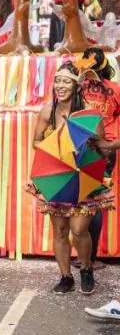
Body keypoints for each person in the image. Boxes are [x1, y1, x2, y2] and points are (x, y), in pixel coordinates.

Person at [27, 62, 113, 295]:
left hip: (83, 177)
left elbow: (100, 149)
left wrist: (84, 147)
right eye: (57, 81)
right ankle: (66, 277)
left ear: (76, 86)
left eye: (66, 82)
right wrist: (57, 144)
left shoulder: (89, 113)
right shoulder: (47, 111)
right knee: (60, 230)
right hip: (58, 173)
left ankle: (86, 269)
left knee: (78, 229)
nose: (60, 86)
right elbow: (35, 141)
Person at [79, 48, 120, 271]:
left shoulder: (79, 88)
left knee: (84, 200)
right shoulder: (114, 89)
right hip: (105, 150)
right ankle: (90, 258)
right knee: (96, 203)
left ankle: (86, 257)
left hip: (82, 147)